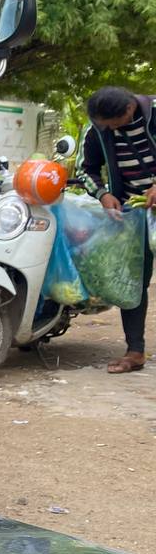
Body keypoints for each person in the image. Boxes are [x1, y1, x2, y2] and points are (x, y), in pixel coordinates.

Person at [80, 86, 156, 374]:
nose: (109, 129)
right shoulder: (99, 130)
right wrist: (103, 195)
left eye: (112, 123)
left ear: (129, 109)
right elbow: (86, 169)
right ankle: (135, 351)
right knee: (132, 282)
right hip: (133, 215)